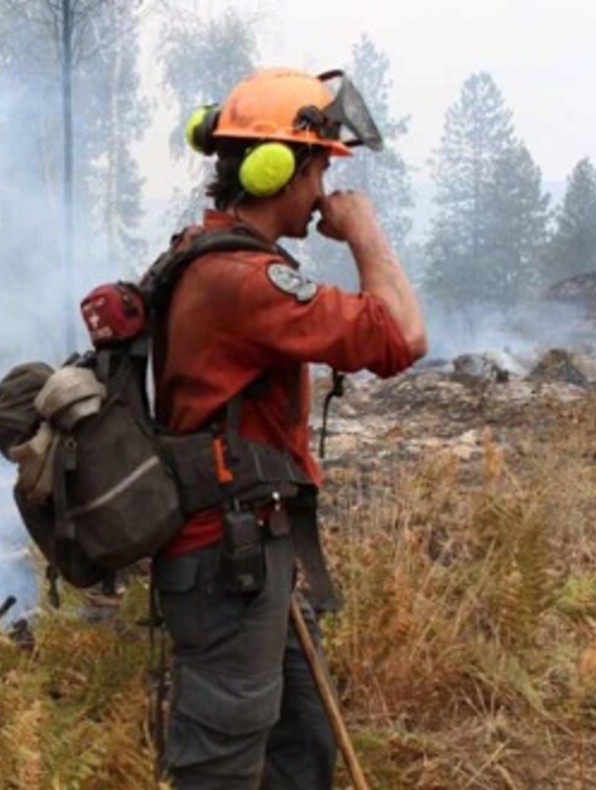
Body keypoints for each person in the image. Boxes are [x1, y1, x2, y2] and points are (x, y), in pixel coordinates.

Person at [151, 66, 428, 788]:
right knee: (224, 762)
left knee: (299, 737)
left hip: (247, 546)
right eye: (320, 169)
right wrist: (365, 231)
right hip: (227, 558)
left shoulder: (208, 256)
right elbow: (403, 335)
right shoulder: (244, 281)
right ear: (284, 168)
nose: (324, 194)